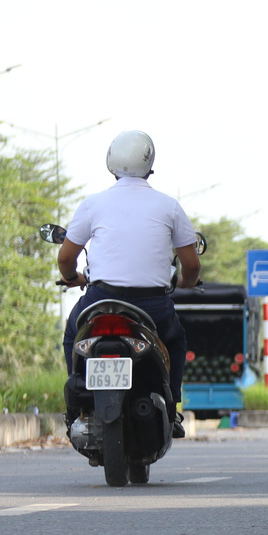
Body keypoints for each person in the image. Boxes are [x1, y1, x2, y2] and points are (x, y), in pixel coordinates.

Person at [57, 131, 200, 437]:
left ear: (111, 161)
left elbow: (65, 259)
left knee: (73, 335)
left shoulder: (93, 203)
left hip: (100, 299)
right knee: (175, 341)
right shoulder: (169, 206)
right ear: (150, 164)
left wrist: (73, 279)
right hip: (153, 305)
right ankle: (172, 409)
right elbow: (191, 265)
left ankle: (74, 406)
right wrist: (186, 283)